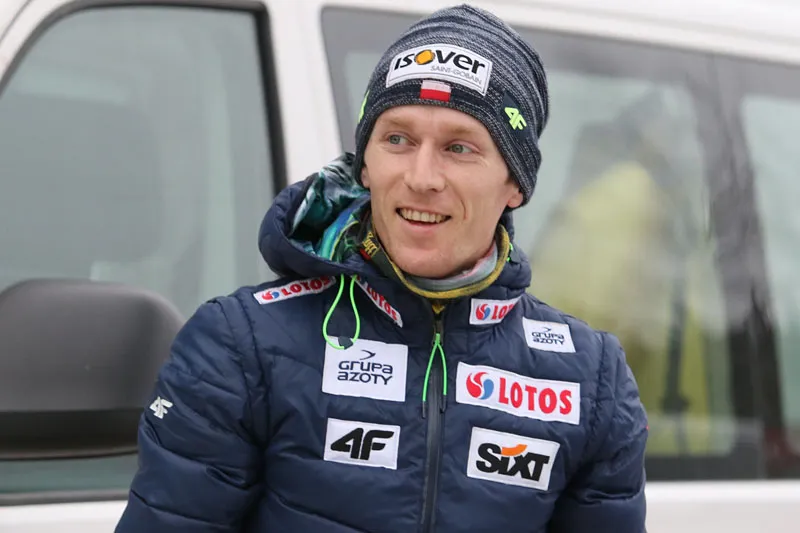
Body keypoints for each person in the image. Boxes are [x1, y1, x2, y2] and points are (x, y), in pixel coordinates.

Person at [115, 4, 648, 532]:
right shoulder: (240, 344)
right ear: (366, 165)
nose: (421, 177)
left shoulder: (590, 379)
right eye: (398, 139)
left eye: (459, 148)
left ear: (515, 184)